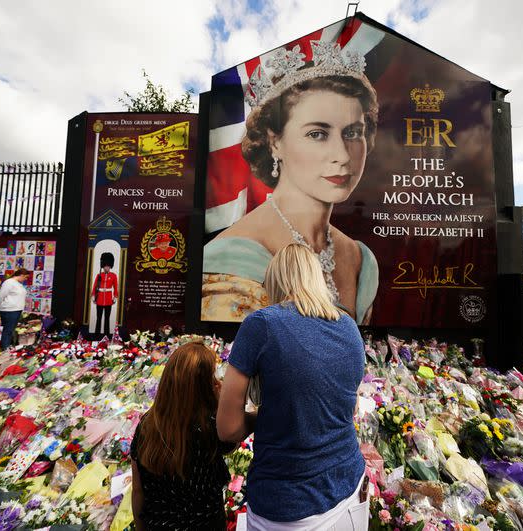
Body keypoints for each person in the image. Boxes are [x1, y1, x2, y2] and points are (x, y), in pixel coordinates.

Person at [203, 40, 379, 325]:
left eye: (353, 132)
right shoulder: (230, 257)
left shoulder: (361, 259)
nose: (342, 155)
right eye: (317, 134)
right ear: (275, 142)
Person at [217, 243, 367, 530]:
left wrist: (270, 413)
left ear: (275, 281)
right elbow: (346, 406)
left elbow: (227, 429)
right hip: (350, 485)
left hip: (288, 506)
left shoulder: (262, 325)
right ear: (317, 278)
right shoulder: (349, 326)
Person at [131, 342, 233, 530]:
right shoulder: (209, 428)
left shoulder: (147, 426)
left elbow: (138, 490)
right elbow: (231, 440)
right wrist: (221, 402)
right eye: (212, 377)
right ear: (203, 386)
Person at [0, 268, 29, 351]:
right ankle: (4, 349)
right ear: (21, 275)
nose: (26, 279)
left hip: (16, 310)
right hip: (9, 310)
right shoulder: (9, 282)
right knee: (7, 330)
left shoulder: (18, 284)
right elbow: (0, 296)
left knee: (10, 330)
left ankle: (7, 347)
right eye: (25, 277)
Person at [91, 252, 118, 337]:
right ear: (103, 266)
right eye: (105, 266)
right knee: (98, 318)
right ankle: (97, 334)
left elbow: (116, 287)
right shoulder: (99, 275)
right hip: (99, 299)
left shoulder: (113, 275)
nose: (107, 268)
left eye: (108, 266)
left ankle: (106, 335)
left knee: (107, 318)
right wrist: (93, 295)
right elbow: (95, 285)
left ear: (110, 266)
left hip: (108, 299)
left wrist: (115, 296)